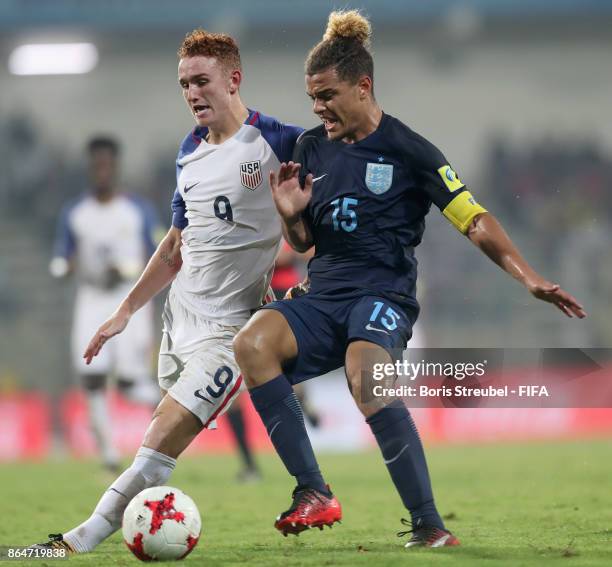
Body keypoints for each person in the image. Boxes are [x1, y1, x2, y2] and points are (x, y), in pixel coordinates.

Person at [232, 10, 586, 548]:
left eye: (327, 95)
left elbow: (474, 218)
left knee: (365, 376)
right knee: (252, 343)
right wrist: (288, 212)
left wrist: (528, 276)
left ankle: (429, 524)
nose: (318, 108)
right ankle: (313, 491)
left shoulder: (409, 150)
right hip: (323, 293)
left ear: (363, 86)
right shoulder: (309, 148)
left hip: (383, 295)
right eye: (312, 97)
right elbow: (305, 243)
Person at [35, 28, 302, 554]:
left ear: (234, 79)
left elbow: (317, 223)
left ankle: (76, 540)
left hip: (234, 328)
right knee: (162, 442)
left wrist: (314, 272)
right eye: (184, 84)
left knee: (161, 432)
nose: (192, 94)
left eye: (202, 81)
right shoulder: (189, 153)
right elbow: (174, 247)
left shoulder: (280, 141)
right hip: (180, 321)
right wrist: (126, 310)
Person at [50, 136, 161, 472]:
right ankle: (109, 455)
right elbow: (60, 258)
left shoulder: (138, 210)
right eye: (96, 164)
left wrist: (128, 269)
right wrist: (63, 267)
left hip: (129, 298)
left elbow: (159, 254)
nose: (101, 171)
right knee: (91, 376)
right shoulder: (76, 212)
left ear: (115, 166)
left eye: (106, 164)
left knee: (129, 382)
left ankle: (161, 409)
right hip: (91, 297)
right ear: (90, 167)